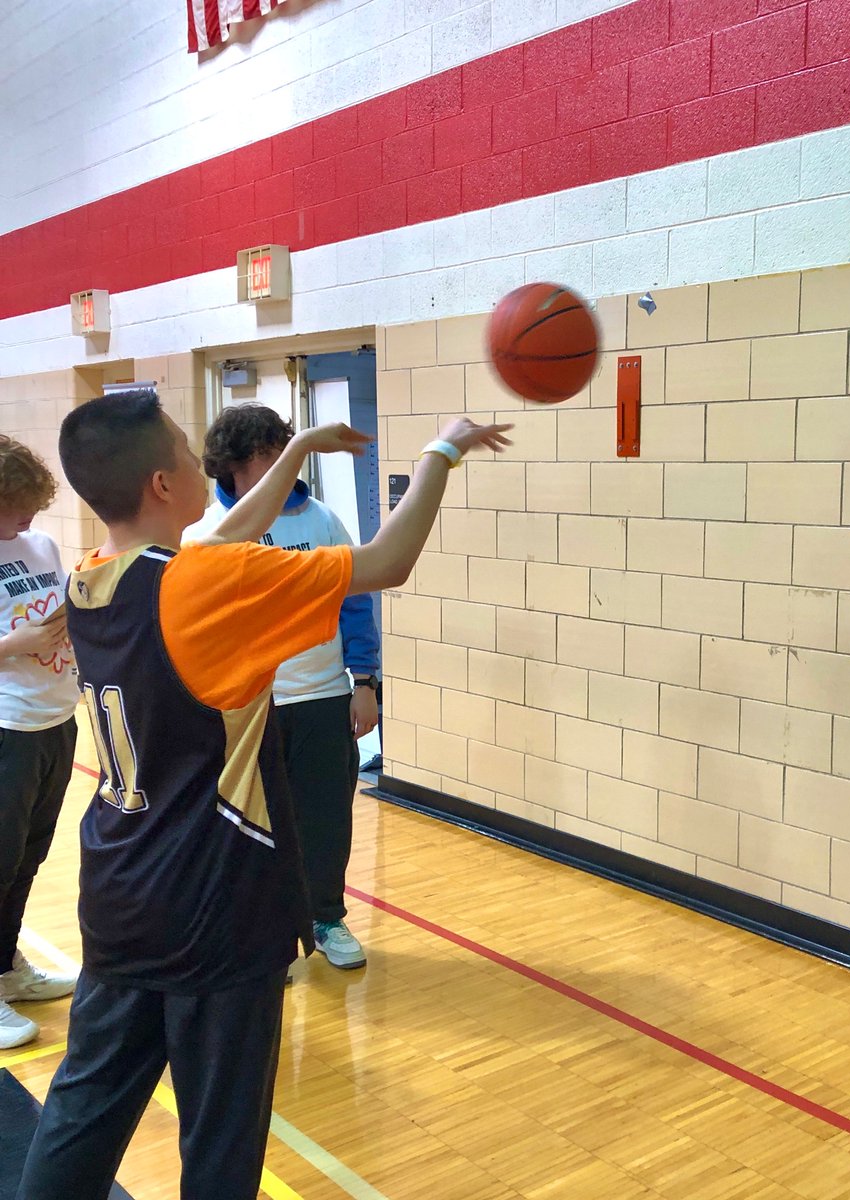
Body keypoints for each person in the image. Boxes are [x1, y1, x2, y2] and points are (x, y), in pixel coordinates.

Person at [18, 388, 510, 1200]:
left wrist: (299, 449)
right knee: (221, 1135)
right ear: (164, 484)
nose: (193, 452)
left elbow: (221, 534)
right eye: (181, 442)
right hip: (215, 904)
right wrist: (441, 451)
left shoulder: (90, 580)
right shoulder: (205, 585)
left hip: (118, 891)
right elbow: (386, 562)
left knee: (84, 1112)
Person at [186, 404, 380, 970]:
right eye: (267, 455)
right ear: (233, 465)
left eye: (284, 450)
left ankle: (326, 917)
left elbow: (355, 601)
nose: (281, 465)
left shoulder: (321, 519)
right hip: (247, 706)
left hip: (321, 696)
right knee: (253, 826)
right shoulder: (206, 534)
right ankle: (266, 934)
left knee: (325, 819)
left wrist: (364, 681)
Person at [0, 435, 80, 1050]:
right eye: (16, 504)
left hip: (57, 719)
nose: (29, 515)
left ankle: (7, 968)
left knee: (29, 855)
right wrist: (16, 646)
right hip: (7, 726)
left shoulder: (41, 545)